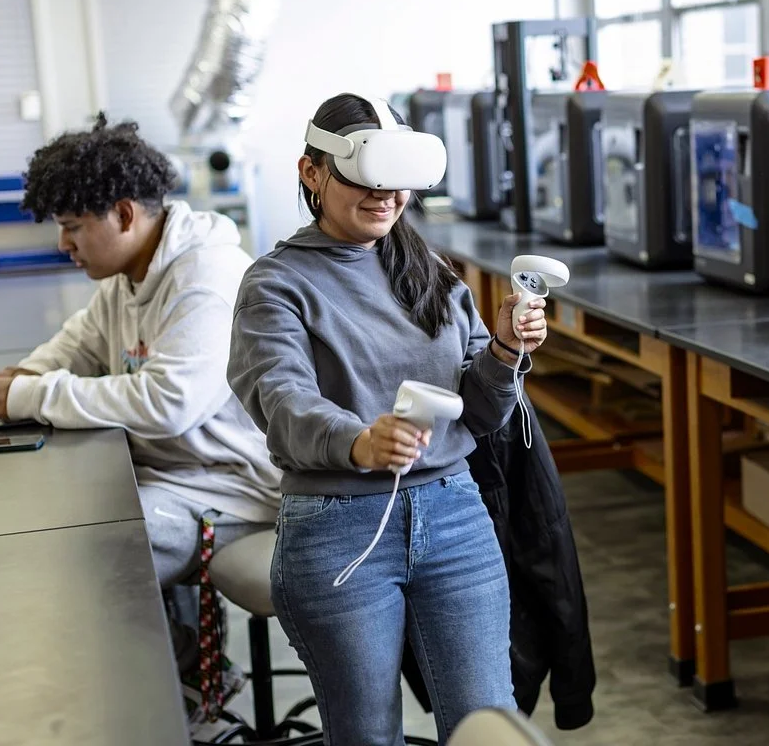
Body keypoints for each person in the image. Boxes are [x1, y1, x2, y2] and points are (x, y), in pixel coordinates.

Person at [227, 92, 548, 744]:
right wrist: (358, 442)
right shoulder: (276, 283)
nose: (383, 196)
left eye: (395, 182)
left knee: (488, 722)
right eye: (362, 177)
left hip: (454, 514)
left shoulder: (425, 269)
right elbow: (281, 400)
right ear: (311, 173)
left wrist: (508, 350)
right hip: (339, 530)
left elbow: (481, 410)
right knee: (368, 735)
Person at [0, 115, 282, 687]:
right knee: (64, 523)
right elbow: (76, 345)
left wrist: (30, 395)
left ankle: (183, 684)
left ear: (125, 215)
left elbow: (167, 402)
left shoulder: (206, 279)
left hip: (232, 491)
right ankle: (180, 678)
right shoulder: (128, 277)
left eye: (73, 227)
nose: (64, 245)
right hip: (170, 476)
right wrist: (20, 381)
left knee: (98, 548)